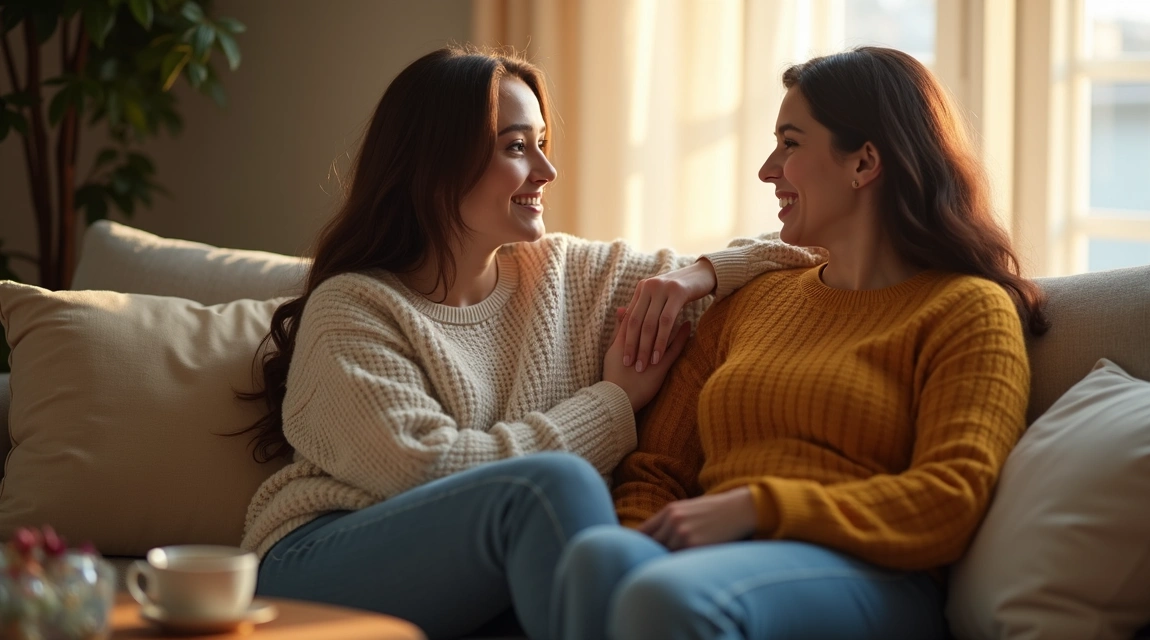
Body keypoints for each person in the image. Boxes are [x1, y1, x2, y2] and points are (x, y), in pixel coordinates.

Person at [234, 45, 821, 640]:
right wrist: (612, 402)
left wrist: (701, 273)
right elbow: (426, 472)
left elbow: (813, 250)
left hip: (486, 575)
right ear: (435, 164)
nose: (546, 170)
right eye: (517, 147)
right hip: (319, 557)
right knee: (558, 486)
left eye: (541, 143)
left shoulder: (568, 273)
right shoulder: (355, 308)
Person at [552, 46, 1049, 640]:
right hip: (715, 565)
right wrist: (645, 546)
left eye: (791, 143)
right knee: (598, 557)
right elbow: (658, 471)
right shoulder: (754, 301)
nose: (767, 169)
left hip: (874, 574)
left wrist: (757, 507)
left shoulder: (967, 309)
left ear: (864, 163)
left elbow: (950, 498)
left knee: (667, 594)